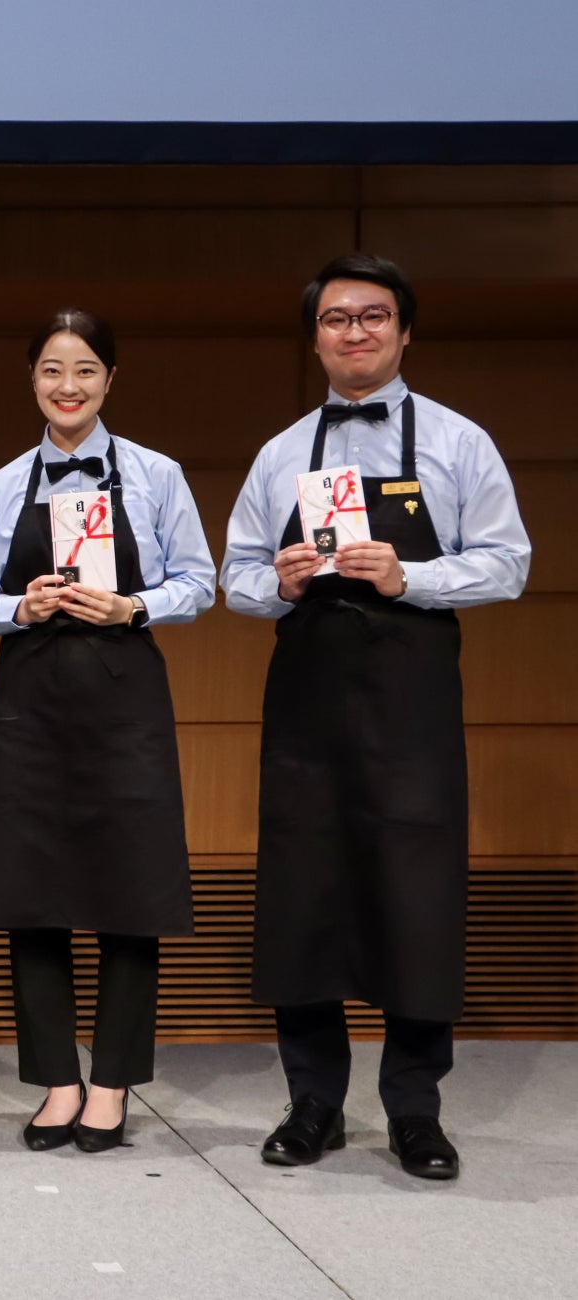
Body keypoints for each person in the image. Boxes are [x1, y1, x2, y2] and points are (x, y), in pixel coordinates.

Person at [223, 254, 531, 1181]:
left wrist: (414, 578)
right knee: (303, 897)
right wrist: (271, 585)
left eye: (374, 316)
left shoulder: (459, 441)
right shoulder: (281, 453)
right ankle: (312, 1101)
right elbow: (233, 578)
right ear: (314, 335)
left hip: (413, 699)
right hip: (308, 699)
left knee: (417, 895)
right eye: (336, 318)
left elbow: (508, 563)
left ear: (404, 332)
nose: (355, 332)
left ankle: (414, 1111)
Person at [0, 309, 214, 1153]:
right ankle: (57, 1084)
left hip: (125, 696)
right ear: (31, 380)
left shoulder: (156, 474)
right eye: (52, 372)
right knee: (33, 894)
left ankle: (111, 1083)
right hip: (30, 701)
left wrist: (132, 604)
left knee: (129, 894)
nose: (68, 387)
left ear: (111, 380)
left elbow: (200, 583)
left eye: (86, 371)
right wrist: (16, 606)